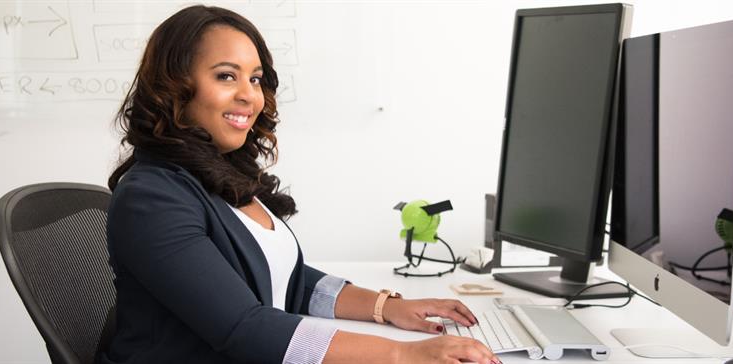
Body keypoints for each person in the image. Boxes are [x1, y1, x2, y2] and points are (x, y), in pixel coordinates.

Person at [102, 5, 501, 364]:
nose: (249, 95)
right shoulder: (151, 198)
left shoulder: (221, 177)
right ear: (175, 87)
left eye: (256, 79)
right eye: (226, 76)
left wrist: (387, 308)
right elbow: (245, 328)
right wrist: (401, 354)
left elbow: (291, 282)